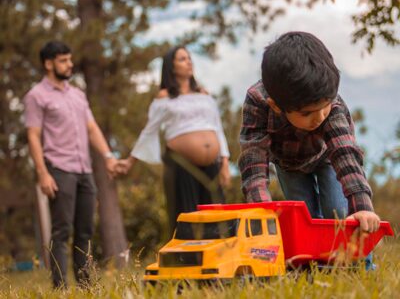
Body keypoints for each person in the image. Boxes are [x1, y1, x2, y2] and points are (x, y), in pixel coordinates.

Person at [238, 32, 380, 267]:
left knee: (337, 211)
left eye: (324, 108)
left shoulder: (332, 106)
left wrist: (363, 207)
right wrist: (261, 210)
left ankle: (360, 265)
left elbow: (345, 155)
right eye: (307, 113)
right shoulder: (258, 102)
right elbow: (253, 160)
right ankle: (314, 266)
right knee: (303, 217)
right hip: (288, 164)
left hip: (327, 158)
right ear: (276, 106)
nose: (319, 118)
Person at [24, 41, 118, 288]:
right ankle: (61, 288)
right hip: (59, 169)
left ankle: (86, 286)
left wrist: (108, 156)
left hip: (84, 170)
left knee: (85, 232)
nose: (70, 64)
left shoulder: (77, 94)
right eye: (63, 60)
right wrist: (43, 174)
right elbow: (33, 135)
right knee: (62, 231)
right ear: (48, 64)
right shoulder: (36, 96)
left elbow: (91, 127)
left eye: (70, 59)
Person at [118, 46, 231, 233]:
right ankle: (188, 260)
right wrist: (130, 162)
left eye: (189, 58)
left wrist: (225, 162)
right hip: (182, 164)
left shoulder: (203, 94)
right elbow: (149, 130)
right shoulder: (165, 97)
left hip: (212, 164)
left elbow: (217, 127)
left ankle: (216, 261)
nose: (188, 62)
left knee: (215, 216)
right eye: (182, 59)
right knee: (187, 216)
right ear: (171, 67)